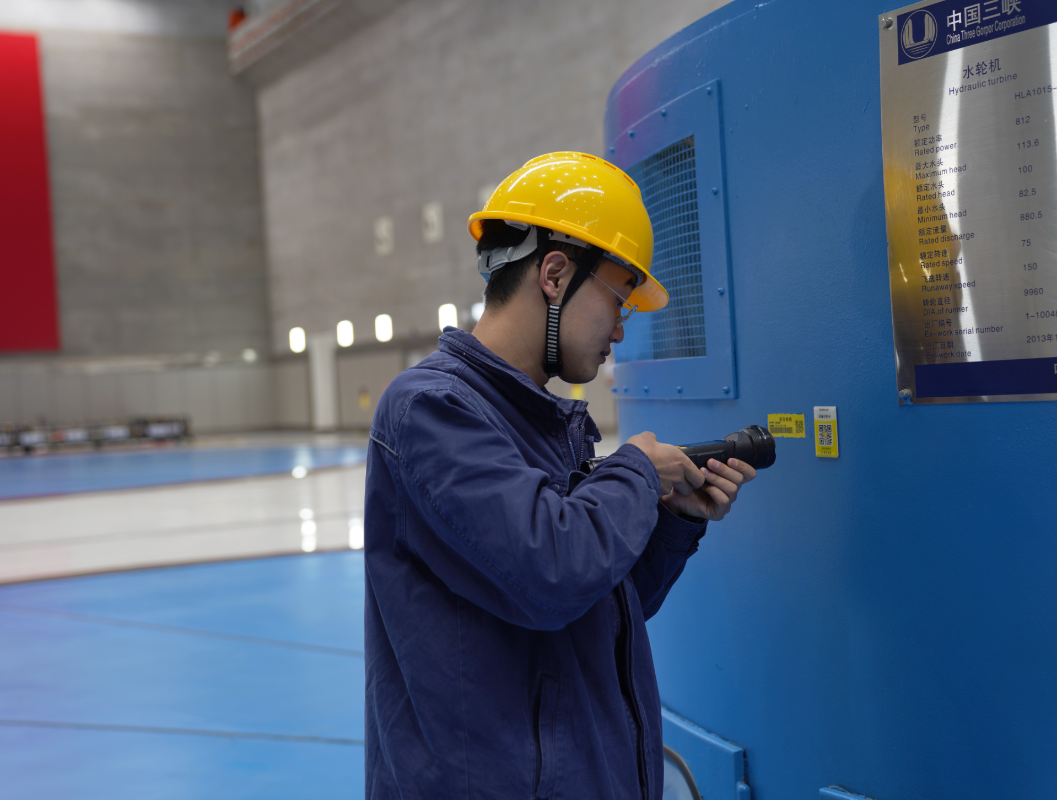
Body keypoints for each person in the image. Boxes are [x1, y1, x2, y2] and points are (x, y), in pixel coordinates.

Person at [363, 152, 756, 799]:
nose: (620, 329)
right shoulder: (431, 409)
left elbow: (599, 605)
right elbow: (551, 572)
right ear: (553, 275)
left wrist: (671, 521)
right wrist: (636, 471)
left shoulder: (546, 424)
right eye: (618, 298)